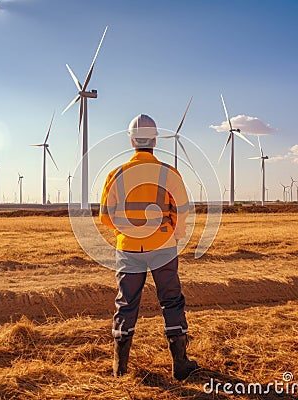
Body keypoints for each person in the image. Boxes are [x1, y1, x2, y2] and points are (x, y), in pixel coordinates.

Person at [99, 114, 199, 380]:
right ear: (155, 140)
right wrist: (172, 235)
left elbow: (105, 216)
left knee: (126, 303)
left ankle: (120, 368)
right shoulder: (169, 173)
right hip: (164, 246)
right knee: (171, 301)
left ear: (132, 140)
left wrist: (127, 232)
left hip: (128, 248)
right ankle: (180, 364)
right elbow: (182, 210)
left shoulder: (115, 174)